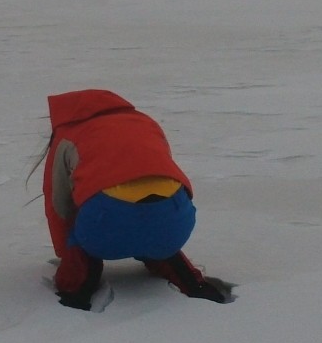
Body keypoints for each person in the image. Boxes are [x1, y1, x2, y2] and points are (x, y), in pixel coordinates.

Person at [41, 88, 231, 309]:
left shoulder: (68, 135)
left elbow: (59, 206)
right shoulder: (144, 122)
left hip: (108, 226)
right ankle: (185, 275)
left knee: (84, 223)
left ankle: (78, 286)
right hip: (175, 222)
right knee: (152, 209)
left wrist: (68, 253)